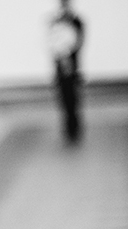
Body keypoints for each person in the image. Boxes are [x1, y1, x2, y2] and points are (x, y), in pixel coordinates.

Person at [48, 0, 85, 144]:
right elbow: (52, 41)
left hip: (73, 65)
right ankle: (67, 127)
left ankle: (74, 126)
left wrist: (68, 54)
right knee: (63, 97)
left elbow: (78, 41)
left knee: (73, 96)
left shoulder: (76, 21)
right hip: (60, 67)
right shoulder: (55, 22)